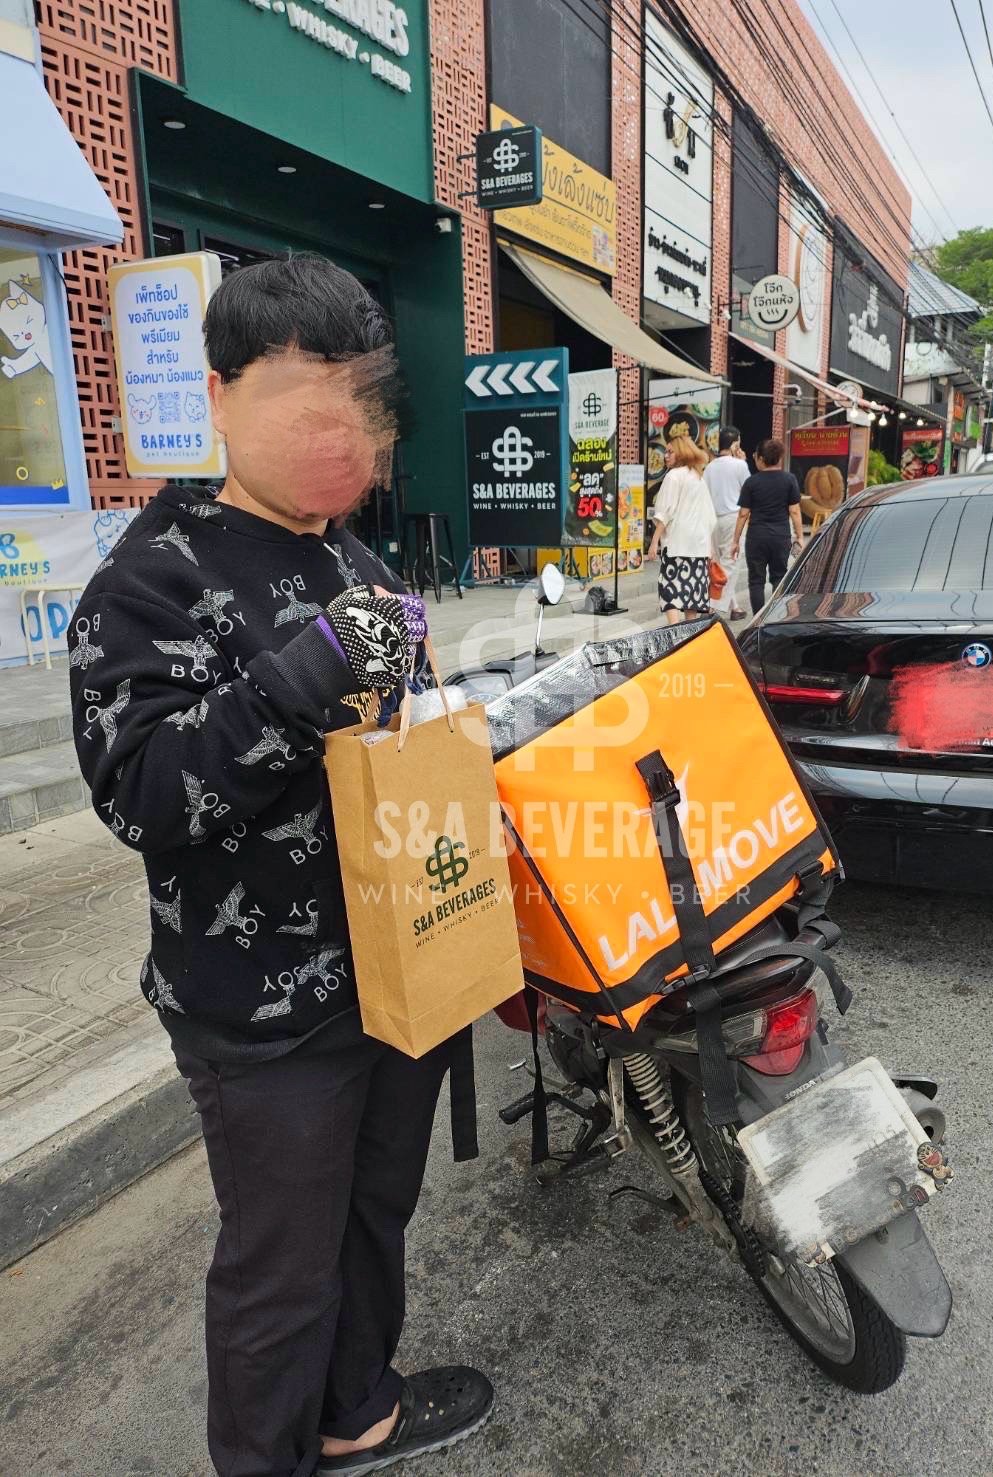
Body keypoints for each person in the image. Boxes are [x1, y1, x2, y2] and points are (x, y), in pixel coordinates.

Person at [68, 254, 493, 1477]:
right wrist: (302, 678)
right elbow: (144, 795)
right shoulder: (149, 580)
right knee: (280, 1270)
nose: (334, 434)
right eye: (303, 400)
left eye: (356, 404)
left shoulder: (360, 563)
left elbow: (400, 742)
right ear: (218, 396)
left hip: (398, 972)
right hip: (261, 1014)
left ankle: (356, 1409)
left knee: (374, 1217)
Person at [646, 433, 716, 625]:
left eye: (670, 452)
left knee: (669, 591)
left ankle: (675, 630)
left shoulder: (673, 476)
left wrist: (654, 541)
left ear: (681, 453)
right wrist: (709, 546)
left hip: (677, 545)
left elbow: (665, 512)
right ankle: (689, 633)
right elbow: (709, 516)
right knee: (691, 594)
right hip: (698, 547)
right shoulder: (698, 477)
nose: (665, 455)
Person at [731, 437, 804, 615]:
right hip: (781, 537)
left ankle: (758, 618)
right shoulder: (789, 479)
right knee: (779, 577)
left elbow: (743, 514)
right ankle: (776, 616)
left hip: (756, 537)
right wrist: (800, 536)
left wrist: (735, 541)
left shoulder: (751, 482)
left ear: (761, 459)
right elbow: (794, 511)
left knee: (756, 581)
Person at [702, 425, 749, 619]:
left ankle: (735, 608)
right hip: (733, 518)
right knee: (730, 565)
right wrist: (743, 461)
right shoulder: (739, 465)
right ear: (735, 444)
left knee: (720, 564)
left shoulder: (709, 467)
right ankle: (713, 607)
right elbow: (749, 492)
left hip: (713, 519)